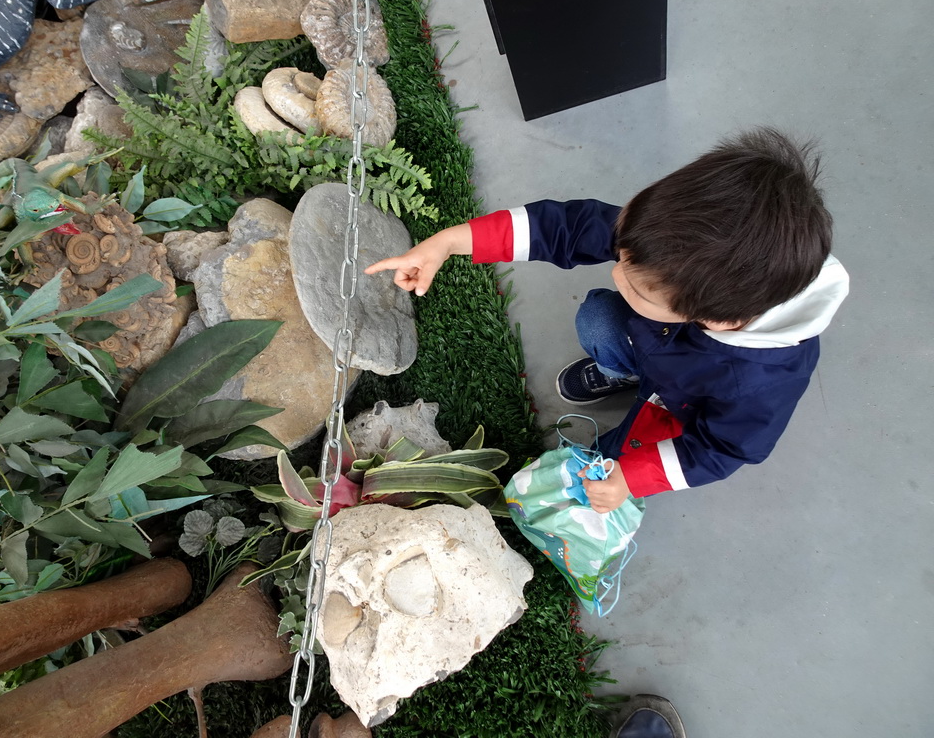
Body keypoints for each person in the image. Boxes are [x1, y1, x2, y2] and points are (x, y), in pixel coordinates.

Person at [364, 128, 849, 513]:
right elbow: (570, 227)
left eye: (636, 287)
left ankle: (635, 410)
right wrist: (451, 241)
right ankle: (622, 370)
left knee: (611, 466)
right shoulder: (671, 245)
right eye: (623, 256)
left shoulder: (760, 382)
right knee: (598, 316)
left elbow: (723, 448)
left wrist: (631, 480)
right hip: (658, 347)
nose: (616, 272)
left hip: (684, 404)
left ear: (721, 320)